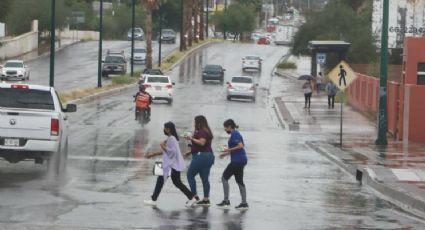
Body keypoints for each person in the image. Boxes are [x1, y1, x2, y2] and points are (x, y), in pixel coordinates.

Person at [144, 122, 197, 207]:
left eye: (165, 128)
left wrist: (163, 146)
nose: (164, 129)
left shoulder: (171, 139)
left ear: (169, 129)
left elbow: (171, 152)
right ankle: (191, 197)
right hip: (172, 164)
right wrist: (152, 154)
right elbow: (167, 151)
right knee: (177, 182)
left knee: (161, 181)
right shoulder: (171, 138)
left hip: (171, 165)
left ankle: (153, 200)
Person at [217, 119, 249, 210]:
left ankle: (226, 201)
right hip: (241, 160)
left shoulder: (235, 134)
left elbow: (240, 146)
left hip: (237, 161)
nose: (225, 129)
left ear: (230, 127)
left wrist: (228, 150)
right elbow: (239, 148)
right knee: (239, 181)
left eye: (225, 127)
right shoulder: (236, 134)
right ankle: (244, 203)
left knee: (224, 178)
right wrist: (225, 154)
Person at [184, 115, 215, 206]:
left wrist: (191, 138)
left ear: (199, 122)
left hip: (201, 157)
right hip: (208, 156)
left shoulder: (201, 132)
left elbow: (202, 143)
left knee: (190, 175)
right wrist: (190, 152)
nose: (194, 123)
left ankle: (194, 197)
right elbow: (203, 146)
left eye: (195, 122)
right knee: (205, 179)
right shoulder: (206, 131)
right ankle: (206, 199)